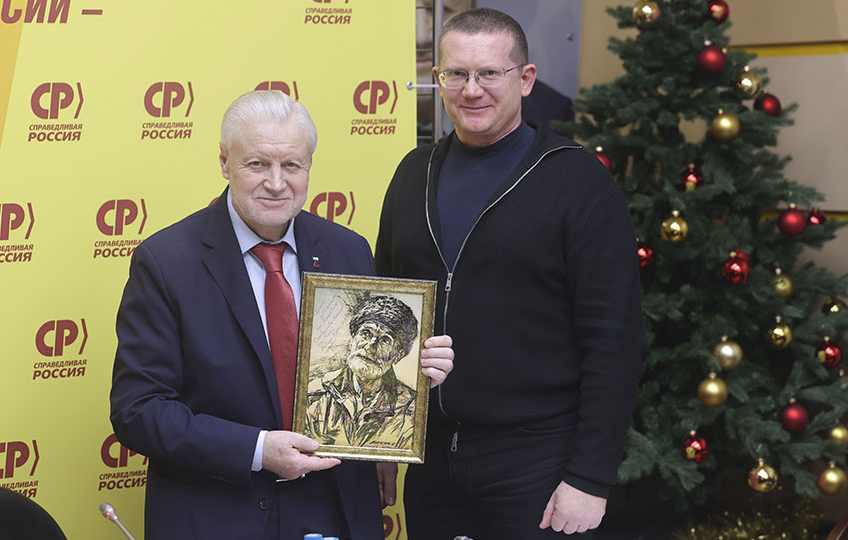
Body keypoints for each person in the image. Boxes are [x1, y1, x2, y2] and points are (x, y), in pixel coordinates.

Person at [109, 90, 453, 540]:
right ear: (224, 163)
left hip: (334, 510)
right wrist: (257, 449)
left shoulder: (348, 250)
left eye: (291, 165)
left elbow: (369, 384)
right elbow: (138, 410)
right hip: (220, 516)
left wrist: (417, 373)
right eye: (257, 164)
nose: (276, 182)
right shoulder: (165, 262)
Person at [375, 8, 648, 539]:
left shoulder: (578, 182)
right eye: (457, 74)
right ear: (438, 79)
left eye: (489, 73)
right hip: (431, 462)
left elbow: (615, 342)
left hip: (539, 463)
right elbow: (387, 307)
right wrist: (382, 440)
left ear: (525, 79)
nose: (471, 89)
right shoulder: (413, 174)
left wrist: (590, 478)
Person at [306, 294, 420, 449]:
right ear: (353, 339)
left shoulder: (410, 407)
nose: (371, 346)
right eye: (366, 333)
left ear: (398, 355)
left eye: (385, 340)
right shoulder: (314, 395)